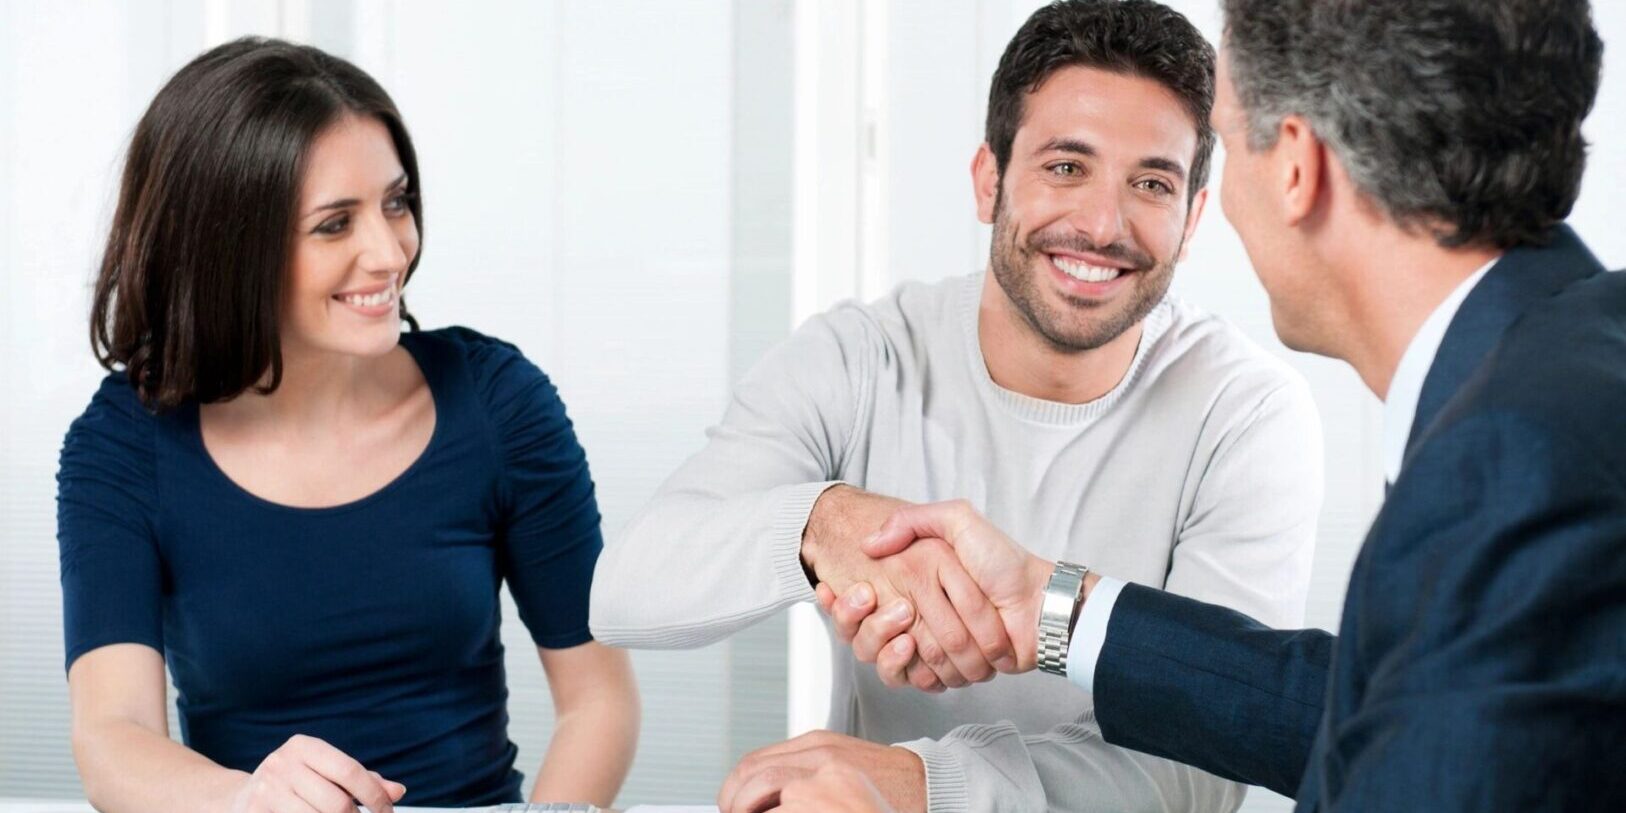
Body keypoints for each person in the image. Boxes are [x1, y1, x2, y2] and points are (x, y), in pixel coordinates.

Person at [825, 0, 1626, 810]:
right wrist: (1049, 605)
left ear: (1294, 168)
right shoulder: (1571, 362)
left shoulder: (1512, 461)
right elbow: (1394, 706)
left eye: (1225, 133)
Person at [591, 2, 1324, 810]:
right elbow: (625, 590)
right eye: (1066, 166)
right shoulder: (863, 356)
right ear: (989, 180)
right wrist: (822, 526)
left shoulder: (1247, 414)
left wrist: (931, 782)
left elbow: (1204, 766)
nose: (1101, 223)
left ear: (1191, 220)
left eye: (1151, 183)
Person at [57, 38, 638, 813]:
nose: (389, 250)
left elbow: (598, 698)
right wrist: (248, 799)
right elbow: (112, 735)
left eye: (395, 203)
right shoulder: (125, 443)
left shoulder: (499, 401)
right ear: (228, 249)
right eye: (335, 224)